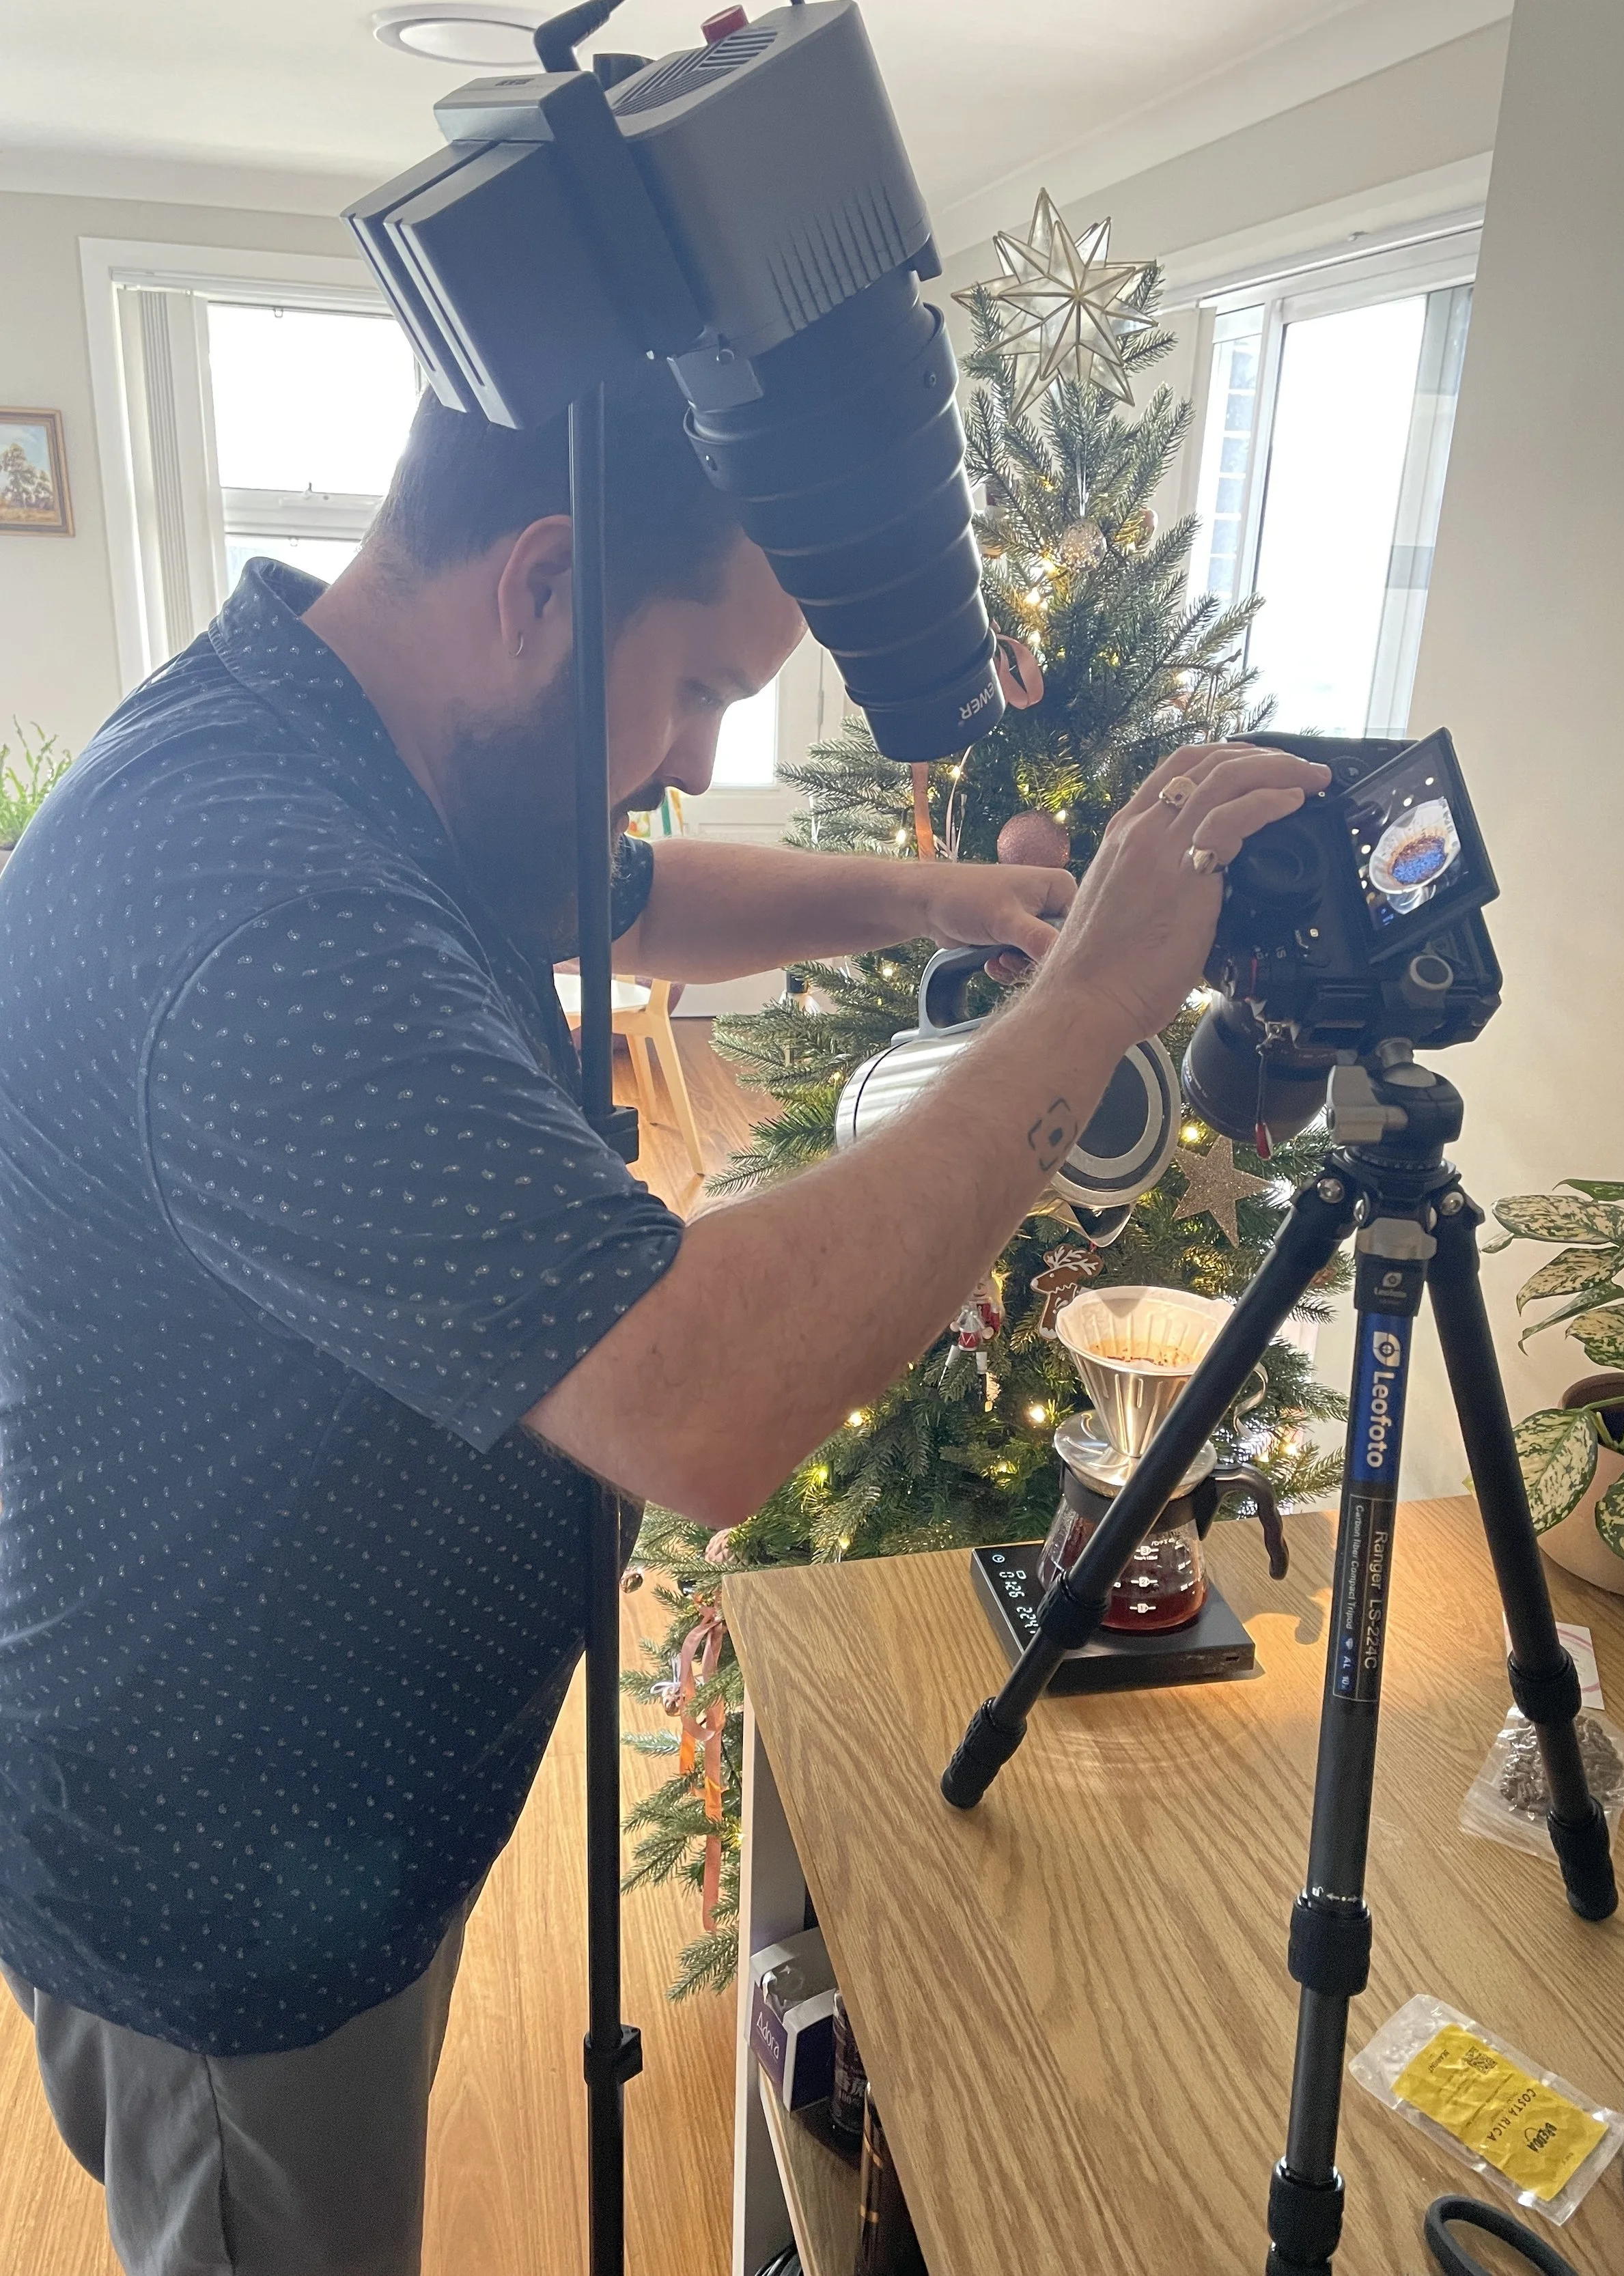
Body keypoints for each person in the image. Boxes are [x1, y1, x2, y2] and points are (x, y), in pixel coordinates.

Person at [0, 361, 1326, 2276]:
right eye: (701, 682)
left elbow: (617, 892)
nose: (703, 751)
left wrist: (944, 893)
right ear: (542, 579)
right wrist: (1080, 1009)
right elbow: (702, 1404)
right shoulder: (258, 901)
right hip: (230, 1885)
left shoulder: (349, 743)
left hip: (330, 1804)